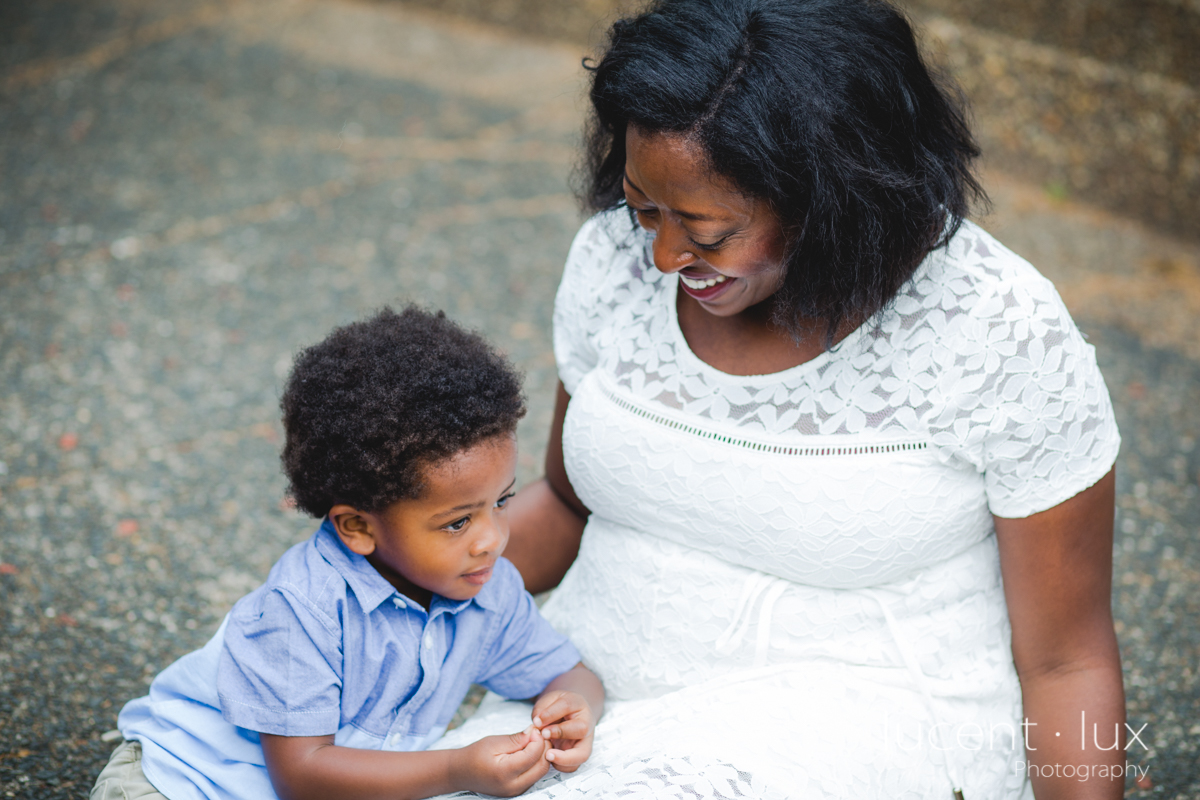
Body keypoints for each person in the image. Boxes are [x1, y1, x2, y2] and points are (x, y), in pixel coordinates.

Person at [435, 1, 1125, 798]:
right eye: (642, 207)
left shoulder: (997, 331)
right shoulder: (613, 259)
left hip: (851, 728)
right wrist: (379, 590)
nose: (659, 255)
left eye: (707, 229)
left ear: (833, 198)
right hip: (581, 699)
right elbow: (565, 500)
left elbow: (1066, 657)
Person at [90, 306, 605, 800]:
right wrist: (457, 768)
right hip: (179, 783)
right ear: (357, 526)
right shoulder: (303, 609)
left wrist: (575, 704)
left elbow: (567, 672)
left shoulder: (486, 588)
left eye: (503, 501)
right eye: (458, 521)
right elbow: (304, 775)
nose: (492, 536)